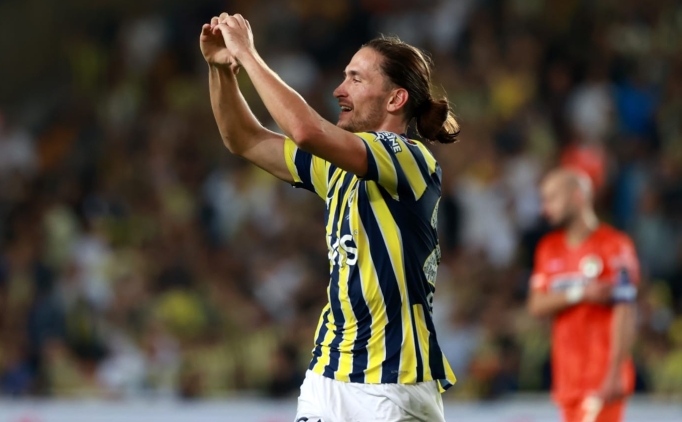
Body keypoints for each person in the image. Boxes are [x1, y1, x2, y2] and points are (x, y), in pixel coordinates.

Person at [200, 12, 458, 422]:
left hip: (393, 382)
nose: (339, 89)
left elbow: (306, 131)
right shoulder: (334, 168)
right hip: (328, 373)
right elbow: (244, 139)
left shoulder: (409, 159)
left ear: (395, 99)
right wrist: (221, 70)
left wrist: (247, 54)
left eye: (356, 79)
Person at [527, 168, 640, 422]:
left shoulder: (615, 245)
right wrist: (581, 293)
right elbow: (536, 304)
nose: (545, 208)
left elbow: (626, 310)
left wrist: (615, 372)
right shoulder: (548, 248)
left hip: (601, 377)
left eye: (552, 198)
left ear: (577, 196)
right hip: (567, 381)